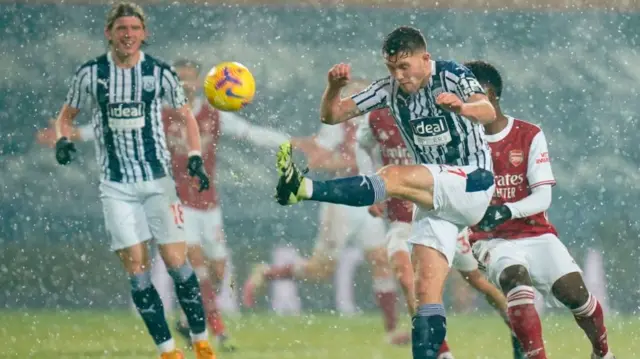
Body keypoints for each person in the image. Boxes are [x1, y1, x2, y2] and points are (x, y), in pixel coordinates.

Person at [39, 57, 294, 351]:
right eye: (180, 78)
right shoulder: (157, 114)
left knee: (220, 272)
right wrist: (74, 134)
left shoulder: (214, 114)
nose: (185, 84)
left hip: (210, 206)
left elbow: (251, 133)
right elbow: (113, 128)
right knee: (196, 266)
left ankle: (188, 322)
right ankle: (216, 333)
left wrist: (290, 142)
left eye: (190, 78)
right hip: (177, 203)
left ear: (199, 82)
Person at [274, 26, 496, 359]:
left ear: (425, 58)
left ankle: (304, 188)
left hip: (472, 181)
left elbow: (488, 110)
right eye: (392, 68)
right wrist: (333, 87)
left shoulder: (450, 75)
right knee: (424, 296)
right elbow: (331, 115)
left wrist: (462, 108)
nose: (399, 75)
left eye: (405, 67)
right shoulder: (388, 89)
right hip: (437, 202)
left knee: (391, 176)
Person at [52, 3, 214, 358]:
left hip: (158, 182)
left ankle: (202, 341)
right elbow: (66, 116)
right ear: (108, 33)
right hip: (116, 187)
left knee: (177, 262)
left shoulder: (159, 73)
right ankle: (168, 351)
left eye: (134, 29)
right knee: (138, 271)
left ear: (145, 34)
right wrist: (63, 138)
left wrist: (195, 157)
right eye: (121, 28)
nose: (128, 35)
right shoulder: (91, 74)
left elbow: (187, 117)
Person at [464, 60, 615, 359]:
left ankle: (603, 353)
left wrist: (506, 210)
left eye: (469, 97)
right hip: (491, 240)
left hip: (536, 232)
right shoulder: (463, 142)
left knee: (577, 297)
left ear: (490, 95)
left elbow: (542, 198)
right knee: (515, 278)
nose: (464, 106)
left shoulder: (529, 134)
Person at [243, 81, 409, 345]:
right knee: (320, 271)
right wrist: (348, 163)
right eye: (355, 94)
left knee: (380, 261)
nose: (361, 99)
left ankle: (391, 331)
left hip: (370, 198)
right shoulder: (337, 124)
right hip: (341, 200)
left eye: (364, 93)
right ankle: (266, 273)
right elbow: (317, 161)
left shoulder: (381, 121)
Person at [357, 107, 525, 359]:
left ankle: (520, 331)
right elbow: (361, 145)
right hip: (402, 222)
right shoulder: (375, 117)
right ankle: (441, 352)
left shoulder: (437, 114)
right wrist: (367, 184)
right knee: (407, 278)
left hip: (442, 218)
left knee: (477, 280)